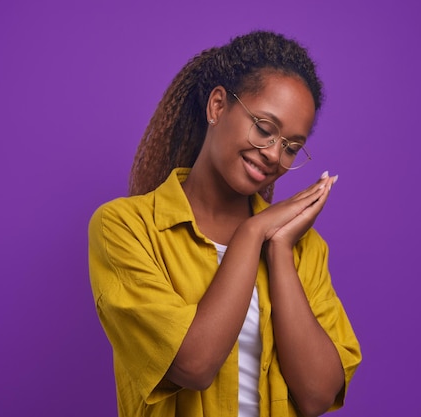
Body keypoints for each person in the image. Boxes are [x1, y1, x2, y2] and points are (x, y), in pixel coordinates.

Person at [88, 30, 362, 417]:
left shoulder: (303, 247)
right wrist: (251, 234)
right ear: (218, 106)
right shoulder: (126, 227)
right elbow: (193, 364)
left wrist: (279, 249)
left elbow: (318, 395)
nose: (273, 155)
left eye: (291, 147)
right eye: (265, 129)